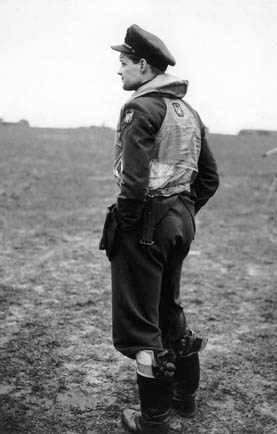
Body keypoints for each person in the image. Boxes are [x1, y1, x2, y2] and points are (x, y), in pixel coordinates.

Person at [100, 24, 219, 434]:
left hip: (146, 225)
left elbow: (133, 183)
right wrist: (182, 211)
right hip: (178, 222)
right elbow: (209, 179)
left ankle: (152, 420)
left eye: (124, 62)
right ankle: (185, 399)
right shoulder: (189, 112)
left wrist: (132, 226)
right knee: (168, 307)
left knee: (140, 324)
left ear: (144, 65)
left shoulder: (140, 108)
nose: (119, 70)